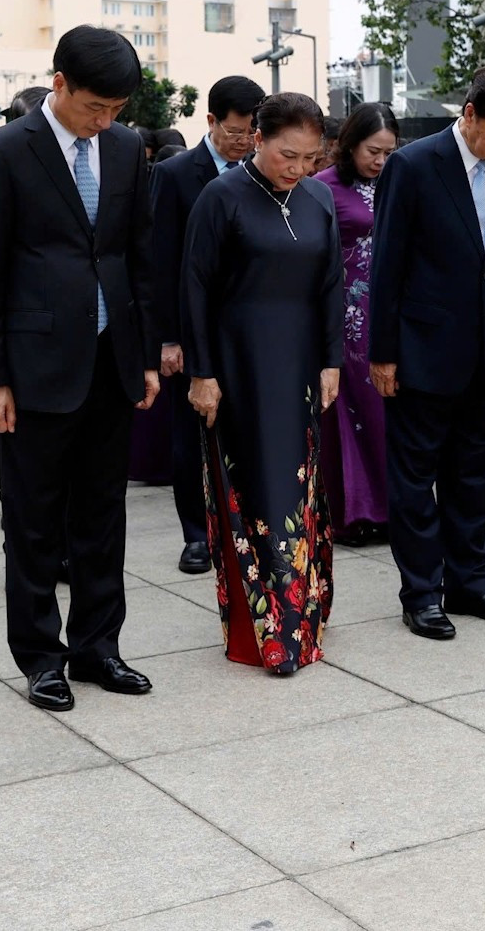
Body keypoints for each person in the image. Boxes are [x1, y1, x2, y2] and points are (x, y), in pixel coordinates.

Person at [0, 26, 160, 712]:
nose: (104, 121)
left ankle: (99, 646)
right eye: (93, 107)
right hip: (33, 367)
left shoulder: (127, 148)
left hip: (111, 360)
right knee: (34, 521)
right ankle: (41, 657)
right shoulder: (2, 152)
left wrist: (145, 356)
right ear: (60, 84)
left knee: (103, 515)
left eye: (116, 109)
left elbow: (138, 256)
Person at [372, 63, 485, 639]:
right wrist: (383, 352)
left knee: (472, 477)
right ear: (469, 114)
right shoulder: (414, 165)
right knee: (416, 482)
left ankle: (471, 583)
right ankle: (422, 593)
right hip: (421, 350)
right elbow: (387, 263)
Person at [182, 93, 342, 674]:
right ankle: (268, 634)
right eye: (287, 155)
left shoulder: (318, 197)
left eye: (309, 157)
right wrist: (202, 372)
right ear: (257, 139)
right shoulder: (221, 196)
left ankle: (303, 619)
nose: (298, 168)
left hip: (300, 366)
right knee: (256, 489)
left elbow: (331, 282)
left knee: (300, 491)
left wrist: (331, 361)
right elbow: (194, 289)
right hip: (239, 367)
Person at [148, 75, 266, 575]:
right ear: (212, 121)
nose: (244, 142)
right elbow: (160, 261)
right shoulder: (175, 174)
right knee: (192, 436)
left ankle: (246, 527)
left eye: (252, 133)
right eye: (235, 132)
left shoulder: (265, 173)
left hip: (252, 328)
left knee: (251, 432)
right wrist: (168, 337)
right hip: (194, 327)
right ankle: (197, 535)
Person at [313, 103, 400, 542]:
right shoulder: (321, 187)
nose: (380, 161)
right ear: (349, 145)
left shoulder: (398, 181)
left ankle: (389, 508)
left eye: (388, 152)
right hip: (344, 313)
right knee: (348, 411)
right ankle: (350, 513)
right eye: (372, 151)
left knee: (386, 411)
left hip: (389, 309)